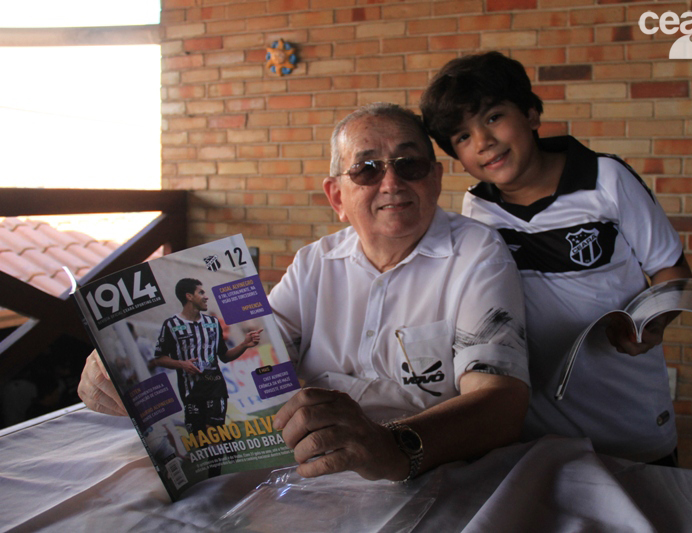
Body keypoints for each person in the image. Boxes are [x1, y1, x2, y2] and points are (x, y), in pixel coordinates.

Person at [79, 102, 531, 484]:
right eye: (367, 168)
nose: (391, 183)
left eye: (408, 165)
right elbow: (255, 361)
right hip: (308, 469)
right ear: (337, 197)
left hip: (431, 470)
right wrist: (132, 379)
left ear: (433, 179)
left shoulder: (476, 252)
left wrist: (391, 446)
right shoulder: (314, 262)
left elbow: (501, 404)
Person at [420, 51, 692, 465]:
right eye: (462, 136)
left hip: (629, 415)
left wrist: (651, 323)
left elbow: (670, 269)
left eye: (493, 117)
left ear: (531, 114)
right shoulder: (477, 208)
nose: (483, 142)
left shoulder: (606, 179)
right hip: (535, 429)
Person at [152, 278, 262, 476]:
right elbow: (159, 359)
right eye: (201, 292)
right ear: (189, 296)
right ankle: (227, 439)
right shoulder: (171, 325)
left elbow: (225, 357)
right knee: (197, 435)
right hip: (190, 390)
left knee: (213, 431)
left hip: (215, 385)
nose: (206, 296)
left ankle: (214, 477)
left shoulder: (212, 323)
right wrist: (182, 364)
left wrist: (244, 344)